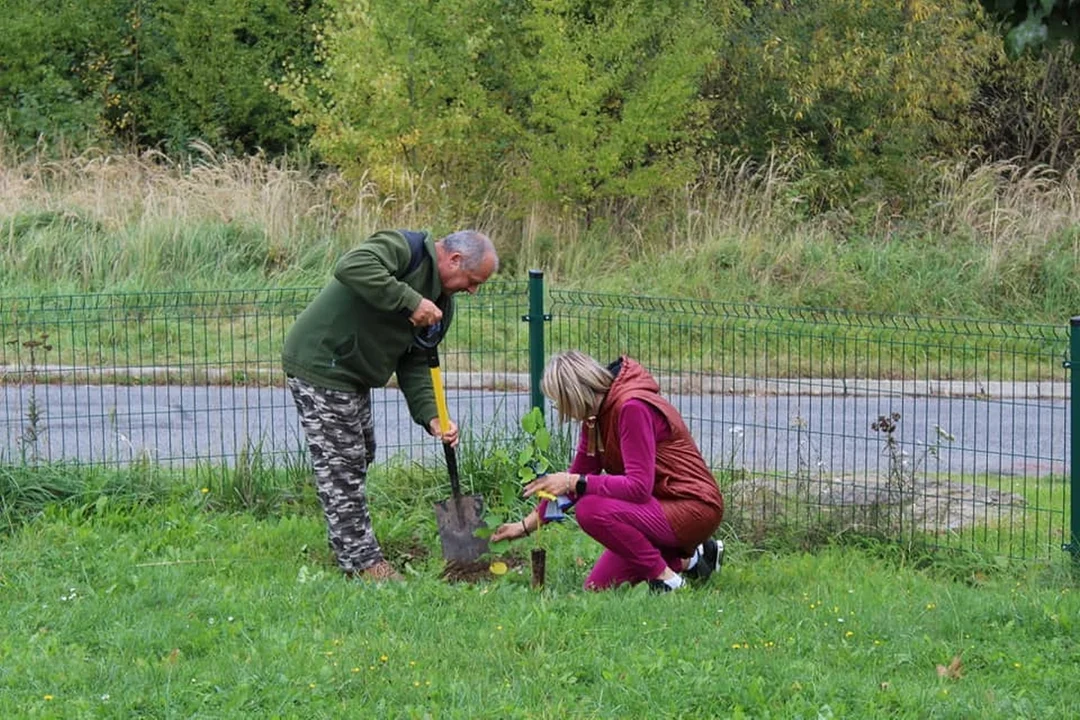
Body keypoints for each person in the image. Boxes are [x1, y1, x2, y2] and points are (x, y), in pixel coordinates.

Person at [283, 229, 498, 581]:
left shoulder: (442, 305)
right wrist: (410, 301)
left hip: (353, 372)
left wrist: (432, 417)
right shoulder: (404, 249)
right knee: (343, 464)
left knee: (361, 452)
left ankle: (346, 534)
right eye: (472, 281)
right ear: (455, 260)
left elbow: (415, 361)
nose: (473, 291)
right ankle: (363, 563)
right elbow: (352, 265)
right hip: (322, 360)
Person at [492, 351, 725, 591]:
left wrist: (574, 481)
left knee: (590, 509)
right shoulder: (594, 418)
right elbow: (574, 482)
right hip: (659, 508)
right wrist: (523, 526)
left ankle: (666, 580)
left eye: (557, 402)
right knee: (598, 586)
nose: (559, 409)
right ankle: (696, 558)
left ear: (572, 394)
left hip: (694, 507)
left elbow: (637, 488)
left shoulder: (632, 408)